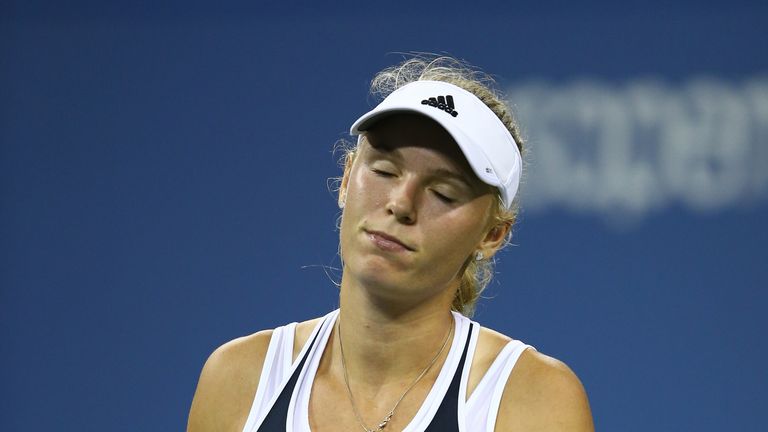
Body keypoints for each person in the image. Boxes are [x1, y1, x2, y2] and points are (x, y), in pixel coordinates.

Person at [187, 55, 594, 432]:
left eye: (445, 193)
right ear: (347, 178)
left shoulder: (535, 402)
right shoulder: (237, 379)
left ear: (491, 236)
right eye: (384, 170)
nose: (401, 204)